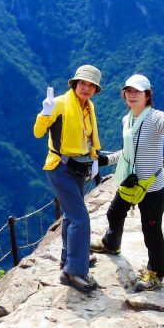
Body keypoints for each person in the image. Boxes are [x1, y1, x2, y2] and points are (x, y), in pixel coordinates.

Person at [91, 75, 164, 291]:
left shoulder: (155, 118)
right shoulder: (128, 120)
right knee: (114, 213)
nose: (132, 94)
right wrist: (107, 160)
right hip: (129, 182)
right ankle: (111, 244)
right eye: (129, 91)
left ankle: (156, 273)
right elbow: (127, 153)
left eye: (137, 91)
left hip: (151, 187)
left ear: (147, 95)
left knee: (151, 230)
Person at [33, 64, 106, 293]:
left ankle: (70, 258)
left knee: (71, 215)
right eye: (82, 83)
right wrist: (45, 113)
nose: (86, 88)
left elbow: (89, 137)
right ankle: (74, 272)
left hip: (79, 167)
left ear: (95, 89)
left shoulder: (88, 106)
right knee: (80, 219)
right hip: (60, 167)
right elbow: (38, 132)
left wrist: (94, 159)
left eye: (90, 85)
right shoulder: (61, 104)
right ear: (75, 84)